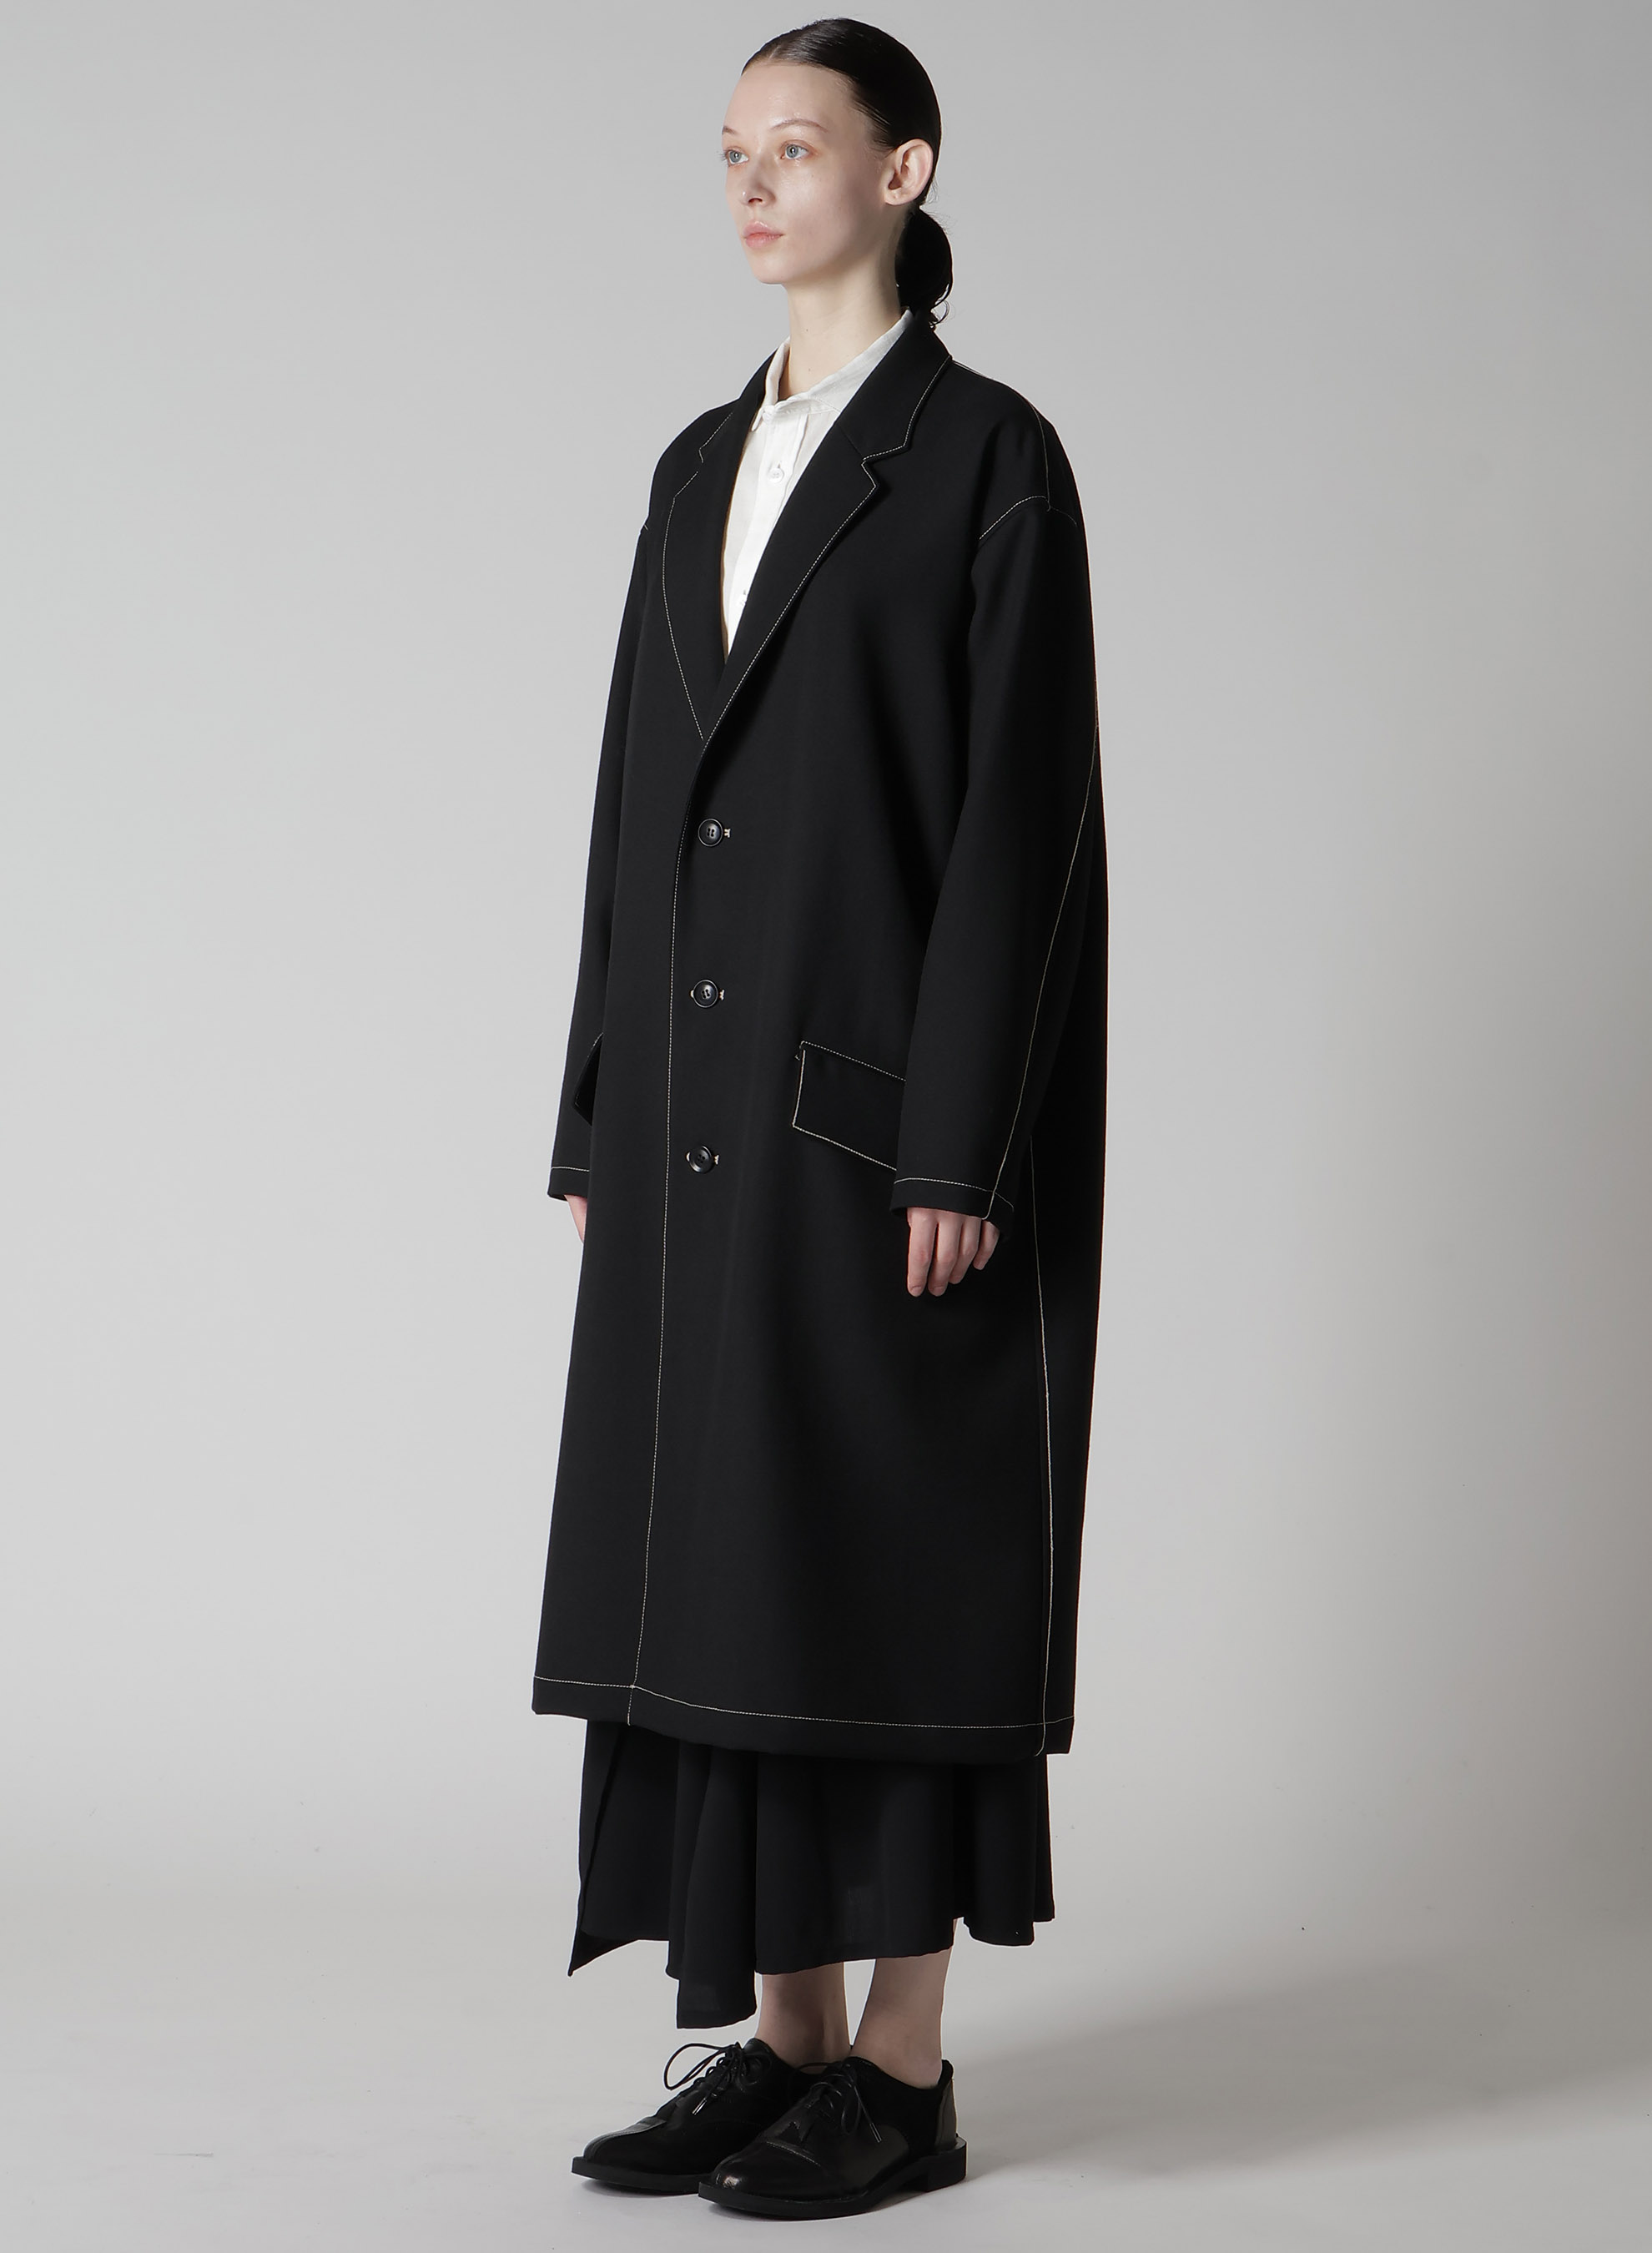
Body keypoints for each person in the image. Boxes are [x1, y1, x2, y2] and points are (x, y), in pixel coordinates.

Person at [535, 16, 1106, 2221]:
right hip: (690, 1123)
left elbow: (1020, 828)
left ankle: (902, 2066)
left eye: (796, 146)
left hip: (870, 1130)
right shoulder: (698, 461)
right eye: (730, 154)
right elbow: (631, 802)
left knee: (879, 1568)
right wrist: (593, 1104)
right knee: (721, 1573)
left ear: (904, 169)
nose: (755, 186)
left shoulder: (987, 460)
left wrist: (960, 1144)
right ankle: (776, 2046)